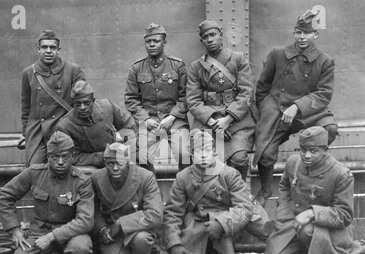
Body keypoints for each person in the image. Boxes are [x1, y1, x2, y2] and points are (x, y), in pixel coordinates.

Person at [253, 10, 338, 207]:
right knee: (265, 154)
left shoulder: (325, 61)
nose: (301, 37)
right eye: (298, 32)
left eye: (306, 33)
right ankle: (265, 189)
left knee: (330, 129)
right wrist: (267, 112)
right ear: (293, 33)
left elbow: (323, 94)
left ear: (315, 35)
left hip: (309, 111)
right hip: (277, 109)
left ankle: (312, 174)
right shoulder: (277, 55)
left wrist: (297, 107)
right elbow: (262, 87)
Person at [163, 130, 268, 254]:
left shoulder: (229, 174)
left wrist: (221, 224)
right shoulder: (183, 177)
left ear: (214, 151)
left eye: (207, 150)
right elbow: (172, 212)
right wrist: (174, 244)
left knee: (222, 221)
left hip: (230, 219)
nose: (204, 155)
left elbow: (244, 207)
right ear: (191, 153)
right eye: (199, 151)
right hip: (201, 219)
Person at [0, 131, 94, 254]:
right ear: (48, 157)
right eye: (55, 157)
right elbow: (4, 195)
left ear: (73, 156)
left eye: (65, 156)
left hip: (70, 233)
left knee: (81, 247)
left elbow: (86, 221)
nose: (61, 162)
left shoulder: (81, 180)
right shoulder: (34, 173)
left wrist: (52, 237)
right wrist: (15, 229)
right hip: (38, 232)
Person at [262, 126, 364, 254]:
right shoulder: (293, 163)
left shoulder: (341, 174)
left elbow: (344, 215)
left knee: (307, 231)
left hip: (329, 230)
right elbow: (284, 186)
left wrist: (311, 213)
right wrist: (284, 212)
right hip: (295, 223)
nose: (307, 155)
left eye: (313, 151)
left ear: (325, 150)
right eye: (303, 150)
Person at [186, 20, 256, 181]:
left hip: (237, 121)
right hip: (208, 121)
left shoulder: (238, 59)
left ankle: (240, 192)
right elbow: (193, 100)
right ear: (201, 41)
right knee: (202, 157)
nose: (210, 39)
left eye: (213, 35)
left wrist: (228, 119)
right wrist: (215, 120)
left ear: (220, 36)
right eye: (205, 37)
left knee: (238, 158)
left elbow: (246, 93)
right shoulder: (196, 66)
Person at [91, 143, 163, 254]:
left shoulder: (145, 177)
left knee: (141, 239)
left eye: (120, 163)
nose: (115, 168)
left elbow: (156, 215)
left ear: (128, 162)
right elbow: (92, 209)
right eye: (110, 164)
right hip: (112, 233)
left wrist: (121, 223)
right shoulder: (97, 177)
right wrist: (102, 228)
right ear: (105, 163)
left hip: (139, 229)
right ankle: (132, 253)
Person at [125, 23, 190, 175]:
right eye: (149, 41)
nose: (152, 44)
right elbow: (131, 99)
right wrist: (145, 120)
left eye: (156, 41)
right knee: (142, 158)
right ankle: (151, 195)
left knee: (184, 155)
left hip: (175, 122)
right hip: (149, 122)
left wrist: (172, 117)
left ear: (164, 42)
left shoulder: (177, 66)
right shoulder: (136, 68)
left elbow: (186, 96)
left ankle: (185, 194)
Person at [20, 30, 86, 167]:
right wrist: (25, 133)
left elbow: (84, 102)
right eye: (44, 47)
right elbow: (26, 107)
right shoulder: (28, 73)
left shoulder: (73, 70)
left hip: (64, 130)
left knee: (65, 168)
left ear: (59, 50)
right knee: (34, 169)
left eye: (52, 47)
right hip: (38, 132)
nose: (48, 51)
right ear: (38, 49)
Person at [56, 80, 136, 167]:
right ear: (73, 104)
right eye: (78, 104)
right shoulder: (64, 126)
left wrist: (126, 149)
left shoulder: (107, 107)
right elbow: (73, 157)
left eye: (86, 103)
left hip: (119, 155)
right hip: (91, 165)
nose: (82, 107)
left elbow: (129, 126)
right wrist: (102, 157)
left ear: (93, 101)